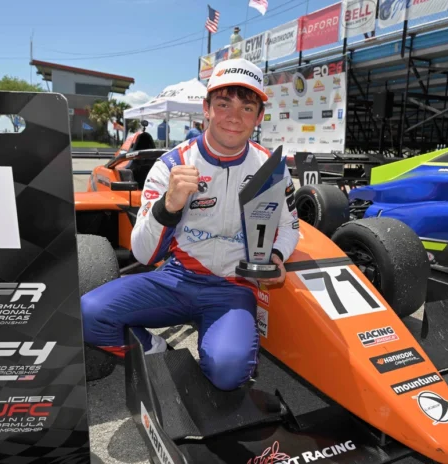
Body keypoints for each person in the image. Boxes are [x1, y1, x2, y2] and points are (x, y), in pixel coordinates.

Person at [81, 58, 300, 391]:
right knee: (90, 312)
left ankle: (221, 345)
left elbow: (290, 227)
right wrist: (168, 206)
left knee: (228, 372)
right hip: (177, 278)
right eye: (223, 104)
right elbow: (143, 254)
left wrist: (277, 256)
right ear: (206, 109)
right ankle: (158, 353)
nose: (234, 117)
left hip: (233, 287)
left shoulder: (272, 168)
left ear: (259, 117)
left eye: (246, 107)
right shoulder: (171, 164)